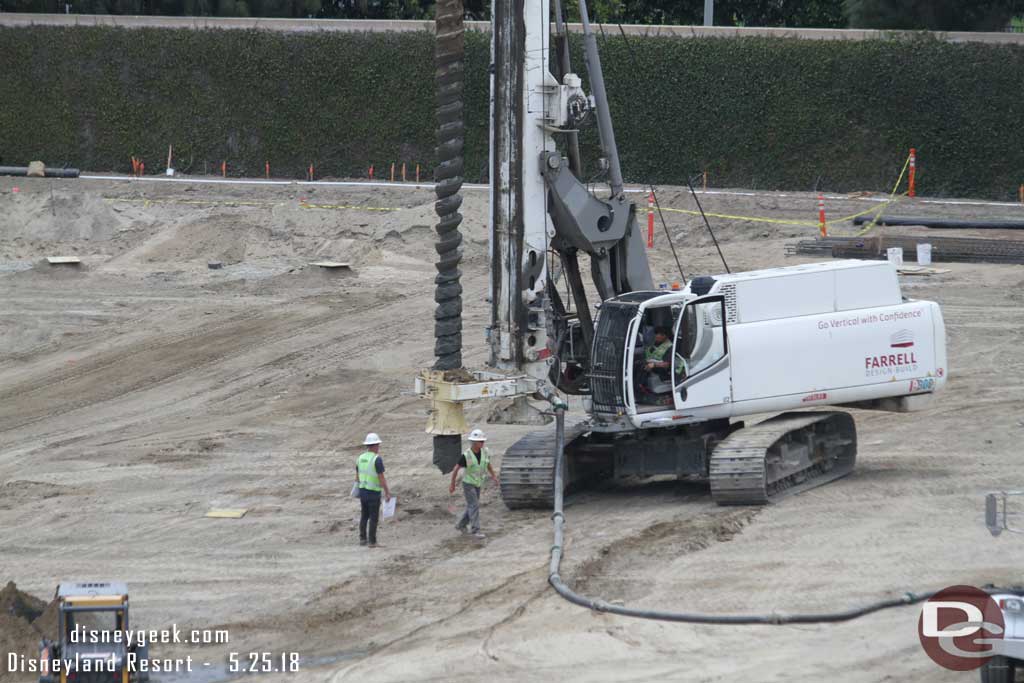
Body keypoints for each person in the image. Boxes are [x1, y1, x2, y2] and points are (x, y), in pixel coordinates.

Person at [449, 428, 499, 539]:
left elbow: (488, 464)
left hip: (478, 483)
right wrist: (452, 484)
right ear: (474, 442)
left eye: (483, 441)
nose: (482, 443)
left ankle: (461, 524)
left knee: (472, 505)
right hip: (468, 483)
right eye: (480, 441)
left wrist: (494, 476)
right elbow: (456, 469)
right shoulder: (466, 455)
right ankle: (475, 530)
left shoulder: (485, 451)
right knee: (474, 505)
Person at [355, 432, 391, 548]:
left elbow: (357, 476)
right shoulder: (377, 459)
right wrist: (387, 492)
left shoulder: (360, 458)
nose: (378, 447)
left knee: (364, 515)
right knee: (373, 517)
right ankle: (372, 541)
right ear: (375, 445)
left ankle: (362, 539)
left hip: (363, 491)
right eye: (378, 445)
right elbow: (381, 478)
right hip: (373, 492)